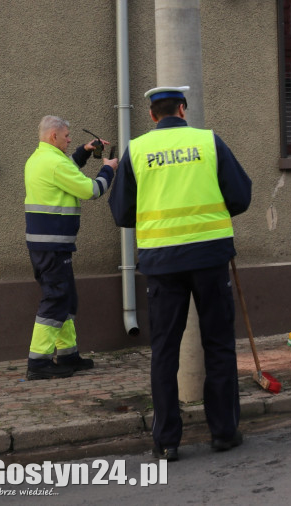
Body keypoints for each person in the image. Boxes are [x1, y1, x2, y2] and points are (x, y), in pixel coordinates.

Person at [109, 86, 252, 461]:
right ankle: (224, 432)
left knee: (164, 351)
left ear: (152, 115)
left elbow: (121, 212)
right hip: (210, 257)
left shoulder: (137, 150)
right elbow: (240, 197)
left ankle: (167, 441)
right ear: (183, 109)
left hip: (161, 263)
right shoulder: (209, 142)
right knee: (218, 344)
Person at [24, 116, 117, 380]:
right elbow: (91, 190)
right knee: (56, 298)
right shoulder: (54, 163)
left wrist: (84, 152)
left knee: (65, 298)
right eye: (66, 135)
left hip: (48, 244)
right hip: (52, 244)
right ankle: (38, 362)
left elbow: (68, 169)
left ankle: (67, 355)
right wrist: (108, 169)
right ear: (53, 136)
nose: (70, 139)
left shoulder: (41, 158)